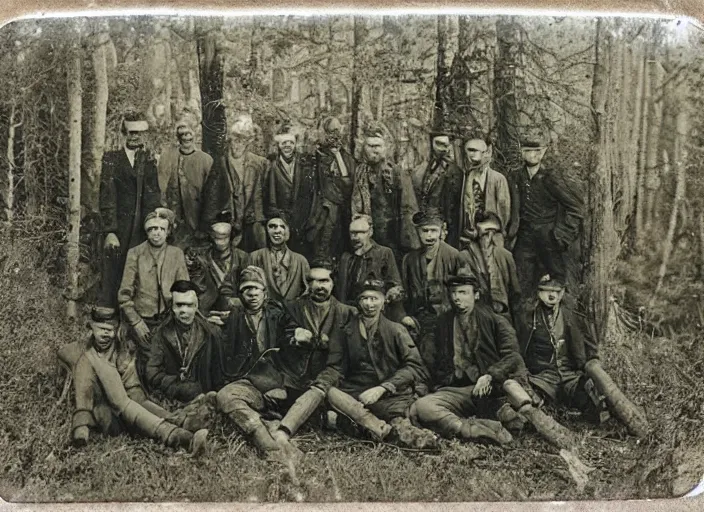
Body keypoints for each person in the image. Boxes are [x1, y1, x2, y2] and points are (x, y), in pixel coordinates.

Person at [71, 306, 208, 455]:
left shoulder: (121, 351)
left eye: (110, 330)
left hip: (129, 408)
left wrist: (163, 414)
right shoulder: (87, 359)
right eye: (101, 329)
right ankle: (181, 438)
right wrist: (81, 433)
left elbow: (134, 391)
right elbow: (83, 403)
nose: (105, 335)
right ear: (91, 329)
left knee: (138, 401)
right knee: (126, 405)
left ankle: (179, 421)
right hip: (108, 416)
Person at [410, 268, 522, 445]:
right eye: (454, 293)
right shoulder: (442, 323)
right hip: (455, 388)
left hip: (489, 389)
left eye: (463, 292)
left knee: (513, 405)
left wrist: (490, 375)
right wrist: (424, 385)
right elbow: (429, 360)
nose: (457, 298)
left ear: (476, 295)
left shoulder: (495, 321)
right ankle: (472, 428)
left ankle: (499, 415)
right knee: (422, 407)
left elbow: (513, 356)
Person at [329, 280, 429, 427]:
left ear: (384, 302)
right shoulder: (346, 330)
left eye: (374, 299)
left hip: (389, 392)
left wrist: (383, 388)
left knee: (396, 413)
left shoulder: (396, 330)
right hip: (356, 390)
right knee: (332, 397)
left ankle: (366, 421)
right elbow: (336, 365)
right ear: (358, 302)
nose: (369, 304)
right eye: (364, 298)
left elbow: (415, 367)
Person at [117, 208, 189, 386]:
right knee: (150, 364)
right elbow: (124, 295)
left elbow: (185, 289)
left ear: (167, 231)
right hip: (145, 321)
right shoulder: (135, 253)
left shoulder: (176, 254)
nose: (157, 233)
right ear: (146, 231)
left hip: (169, 319)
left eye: (161, 229)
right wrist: (136, 322)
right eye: (152, 229)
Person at [517, 274, 605, 419]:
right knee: (531, 399)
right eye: (547, 291)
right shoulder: (528, 317)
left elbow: (589, 346)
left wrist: (592, 363)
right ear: (539, 292)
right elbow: (517, 349)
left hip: (570, 374)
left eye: (556, 291)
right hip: (543, 376)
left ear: (562, 292)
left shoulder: (571, 314)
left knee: (593, 401)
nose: (552, 296)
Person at [509, 130, 584, 296]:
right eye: (528, 150)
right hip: (525, 236)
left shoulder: (551, 178)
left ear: (543, 152)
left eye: (537, 150)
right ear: (521, 152)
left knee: (555, 286)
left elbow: (576, 208)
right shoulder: (516, 177)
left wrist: (562, 236)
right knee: (521, 285)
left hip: (548, 238)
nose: (532, 155)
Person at [99, 111, 161, 308]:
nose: (136, 137)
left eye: (140, 133)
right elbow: (106, 196)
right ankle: (111, 317)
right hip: (120, 228)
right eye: (131, 132)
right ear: (124, 133)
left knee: (140, 273)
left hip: (141, 228)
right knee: (115, 273)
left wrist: (152, 224)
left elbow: (153, 195)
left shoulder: (148, 160)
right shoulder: (111, 159)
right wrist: (110, 231)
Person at [401, 209, 468, 369]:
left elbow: (466, 288)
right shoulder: (410, 260)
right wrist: (405, 315)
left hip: (448, 316)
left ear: (441, 231)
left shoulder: (455, 256)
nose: (429, 236)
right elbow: (405, 292)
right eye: (425, 231)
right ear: (418, 232)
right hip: (419, 317)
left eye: (433, 230)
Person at [351, 123, 420, 264]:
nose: (374, 151)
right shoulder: (360, 172)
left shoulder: (396, 173)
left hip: (392, 236)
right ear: (364, 148)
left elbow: (408, 208)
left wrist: (408, 243)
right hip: (367, 234)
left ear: (385, 148)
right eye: (370, 146)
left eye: (378, 146)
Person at [201, 114, 268, 252]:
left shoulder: (260, 163)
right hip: (227, 222)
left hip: (251, 224)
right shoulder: (219, 163)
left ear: (248, 142)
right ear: (229, 139)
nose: (238, 144)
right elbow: (211, 196)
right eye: (235, 138)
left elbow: (263, 195)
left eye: (243, 140)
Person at [146, 280, 220, 403]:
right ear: (172, 307)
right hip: (173, 398)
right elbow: (152, 373)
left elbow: (218, 375)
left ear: (196, 306)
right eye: (179, 305)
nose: (183, 311)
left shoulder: (211, 333)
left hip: (207, 397)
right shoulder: (161, 334)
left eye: (189, 305)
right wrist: (176, 384)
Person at [335, 214, 405, 322]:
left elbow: (395, 285)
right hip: (348, 314)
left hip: (374, 312)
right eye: (353, 233)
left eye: (361, 232)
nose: (356, 237)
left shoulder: (384, 253)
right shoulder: (346, 257)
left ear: (370, 232)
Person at [305, 116, 355, 262]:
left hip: (344, 208)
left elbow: (349, 179)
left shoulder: (346, 157)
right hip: (323, 209)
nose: (335, 136)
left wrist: (337, 156)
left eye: (338, 131)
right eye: (331, 131)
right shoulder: (317, 156)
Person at [161, 111, 214, 250]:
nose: (185, 136)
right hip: (175, 224)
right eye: (181, 133)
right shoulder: (167, 157)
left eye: (188, 132)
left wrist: (204, 225)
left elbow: (212, 197)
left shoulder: (206, 160)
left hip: (198, 224)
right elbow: (161, 189)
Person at [264, 122, 316, 255]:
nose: (287, 146)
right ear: (279, 145)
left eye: (291, 142)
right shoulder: (272, 166)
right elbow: (270, 195)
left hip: (301, 218)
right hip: (281, 218)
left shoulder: (304, 164)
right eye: (284, 143)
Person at [461, 211, 521, 324]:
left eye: (494, 232)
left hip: (502, 315)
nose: (489, 237)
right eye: (485, 233)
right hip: (475, 317)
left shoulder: (505, 256)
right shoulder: (464, 257)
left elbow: (515, 291)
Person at [411, 131, 464, 248]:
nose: (443, 149)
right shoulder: (424, 167)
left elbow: (453, 205)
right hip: (425, 223)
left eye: (446, 145)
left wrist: (446, 227)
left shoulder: (454, 171)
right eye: (439, 144)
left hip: (443, 226)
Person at [190, 211, 250, 314]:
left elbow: (248, 285)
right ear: (211, 238)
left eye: (224, 238)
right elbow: (197, 287)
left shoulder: (242, 257)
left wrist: (240, 301)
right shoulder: (201, 259)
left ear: (231, 237)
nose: (220, 242)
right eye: (217, 238)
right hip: (208, 309)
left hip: (237, 310)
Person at [458, 135, 511, 250]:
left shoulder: (498, 179)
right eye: (469, 150)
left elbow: (504, 212)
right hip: (468, 237)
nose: (472, 155)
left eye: (475, 150)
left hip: (492, 238)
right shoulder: (464, 178)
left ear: (487, 152)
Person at [249, 213, 310, 303]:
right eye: (272, 226)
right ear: (266, 230)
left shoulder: (300, 260)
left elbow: (308, 290)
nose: (277, 231)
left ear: (288, 231)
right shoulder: (255, 257)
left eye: (282, 226)